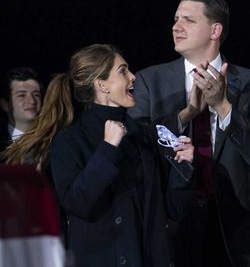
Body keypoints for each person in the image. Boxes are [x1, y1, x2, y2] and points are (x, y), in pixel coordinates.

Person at [128, 0, 250, 267]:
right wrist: (186, 115)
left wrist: (223, 106)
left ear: (215, 30)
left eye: (188, 20)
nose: (176, 26)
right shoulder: (149, 81)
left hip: (235, 230)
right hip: (172, 224)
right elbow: (136, 149)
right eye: (175, 19)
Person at [47, 44, 195, 267]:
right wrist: (107, 148)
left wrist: (183, 167)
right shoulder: (69, 140)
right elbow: (77, 203)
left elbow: (173, 210)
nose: (133, 77)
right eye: (123, 71)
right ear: (101, 84)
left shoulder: (144, 136)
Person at [0, 67, 42, 154]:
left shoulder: (56, 141)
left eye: (36, 95)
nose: (32, 101)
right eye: (22, 95)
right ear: (5, 104)